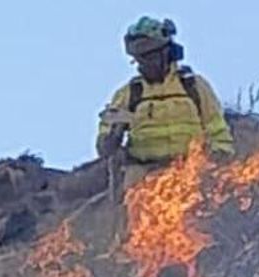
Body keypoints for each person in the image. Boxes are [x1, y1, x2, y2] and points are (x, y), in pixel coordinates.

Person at [96, 17, 233, 167]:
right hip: (143, 174)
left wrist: (220, 157)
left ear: (167, 52)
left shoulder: (193, 85)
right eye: (141, 59)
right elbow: (105, 144)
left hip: (191, 169)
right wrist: (114, 132)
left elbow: (217, 127)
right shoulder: (129, 93)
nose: (146, 64)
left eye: (151, 57)